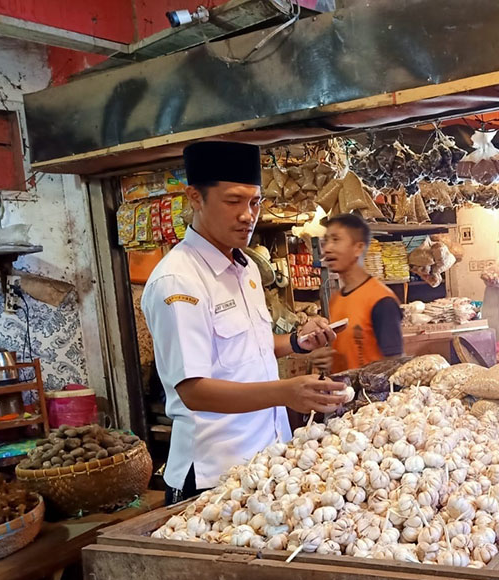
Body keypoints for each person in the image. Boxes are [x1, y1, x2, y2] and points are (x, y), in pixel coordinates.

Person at [142, 141, 347, 505]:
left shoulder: (247, 267)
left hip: (267, 461)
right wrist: (285, 392)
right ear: (195, 198)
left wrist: (297, 342)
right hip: (213, 476)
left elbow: (249, 346)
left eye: (254, 202)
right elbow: (193, 391)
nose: (247, 215)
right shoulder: (178, 280)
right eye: (233, 201)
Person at [322, 214, 404, 372]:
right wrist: (328, 361)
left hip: (371, 395)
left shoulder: (381, 300)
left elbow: (394, 365)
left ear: (358, 248)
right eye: (326, 241)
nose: (327, 248)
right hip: (343, 393)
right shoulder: (336, 299)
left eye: (336, 240)